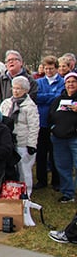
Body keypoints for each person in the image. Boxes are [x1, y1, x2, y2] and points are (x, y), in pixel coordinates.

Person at [0, 76, 39, 196]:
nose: (15, 91)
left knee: (24, 169)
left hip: (23, 141)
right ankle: (10, 192)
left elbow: (34, 126)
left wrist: (31, 144)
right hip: (8, 139)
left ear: (25, 90)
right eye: (14, 88)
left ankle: (26, 193)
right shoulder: (7, 103)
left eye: (19, 89)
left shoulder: (30, 106)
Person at [34, 56, 64, 190]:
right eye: (46, 69)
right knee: (41, 153)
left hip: (55, 122)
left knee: (55, 153)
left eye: (51, 69)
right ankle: (41, 180)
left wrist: (45, 97)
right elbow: (36, 97)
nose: (48, 71)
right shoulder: (38, 82)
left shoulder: (62, 82)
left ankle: (56, 181)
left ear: (56, 68)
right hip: (41, 122)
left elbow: (59, 98)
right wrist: (51, 96)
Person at [49, 72, 77, 203]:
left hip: (74, 138)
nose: (71, 84)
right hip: (59, 138)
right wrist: (53, 128)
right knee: (63, 166)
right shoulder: (58, 100)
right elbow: (51, 115)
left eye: (74, 82)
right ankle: (68, 193)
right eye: (68, 82)